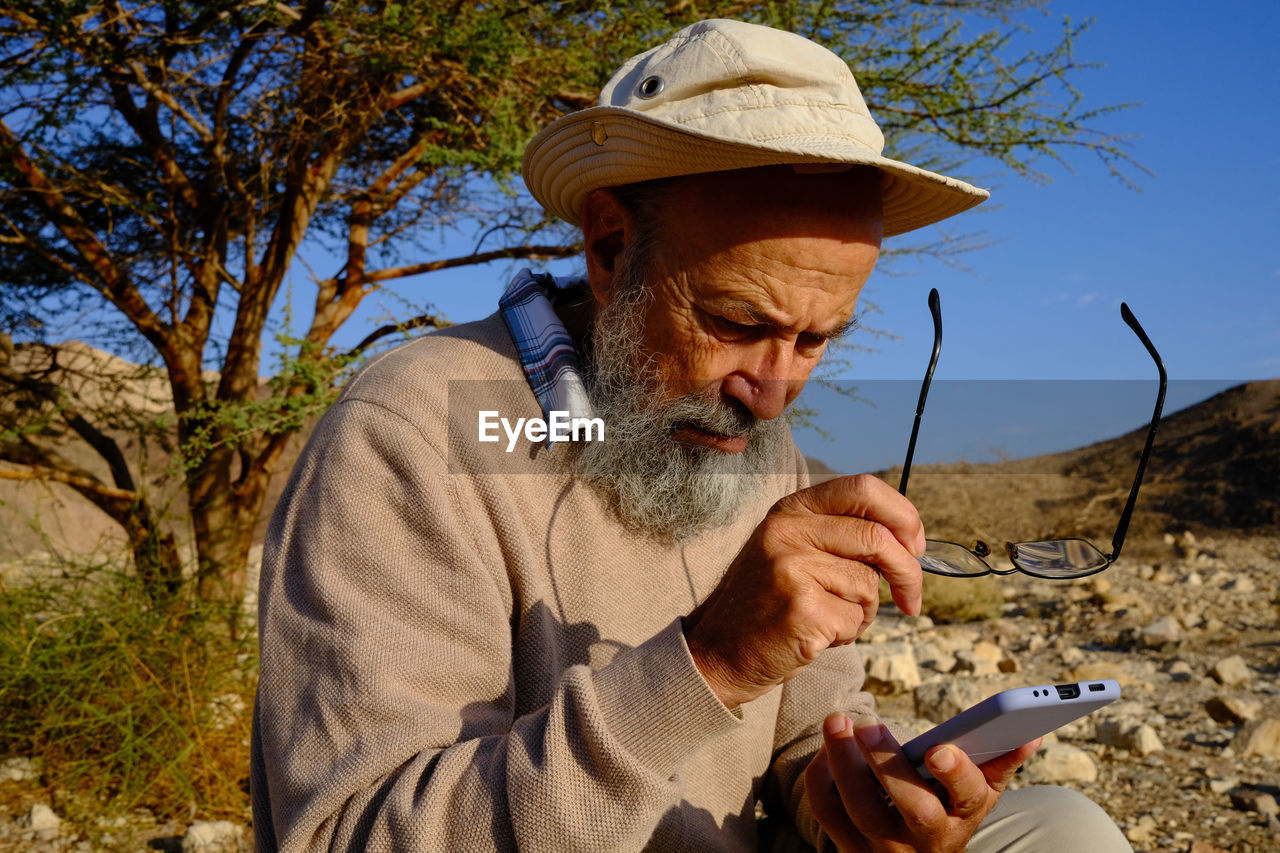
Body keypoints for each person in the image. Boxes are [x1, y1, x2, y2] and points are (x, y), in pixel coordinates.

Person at [251, 18, 1131, 852]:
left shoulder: (753, 443)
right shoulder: (415, 432)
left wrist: (861, 810)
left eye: (817, 338)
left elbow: (800, 752)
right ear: (607, 245)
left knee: (1061, 826)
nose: (774, 392)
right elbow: (349, 834)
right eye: (736, 320)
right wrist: (708, 662)